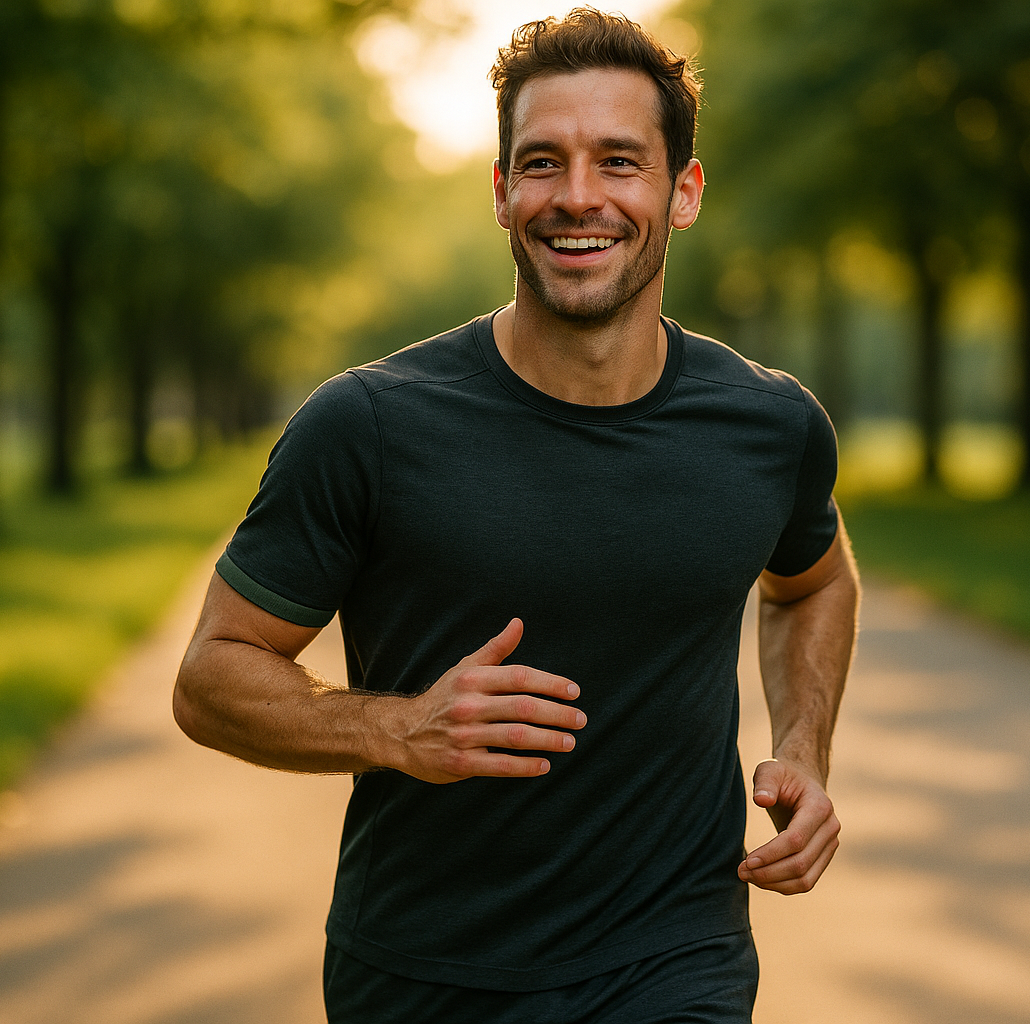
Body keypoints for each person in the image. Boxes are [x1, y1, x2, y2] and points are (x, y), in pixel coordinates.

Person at [173, 8, 860, 1022]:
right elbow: (211, 677)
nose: (578, 197)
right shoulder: (365, 426)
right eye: (543, 162)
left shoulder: (769, 425)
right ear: (501, 193)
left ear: (683, 193)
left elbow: (814, 581)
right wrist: (397, 727)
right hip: (424, 973)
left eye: (619, 161)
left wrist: (804, 749)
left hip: (676, 960)